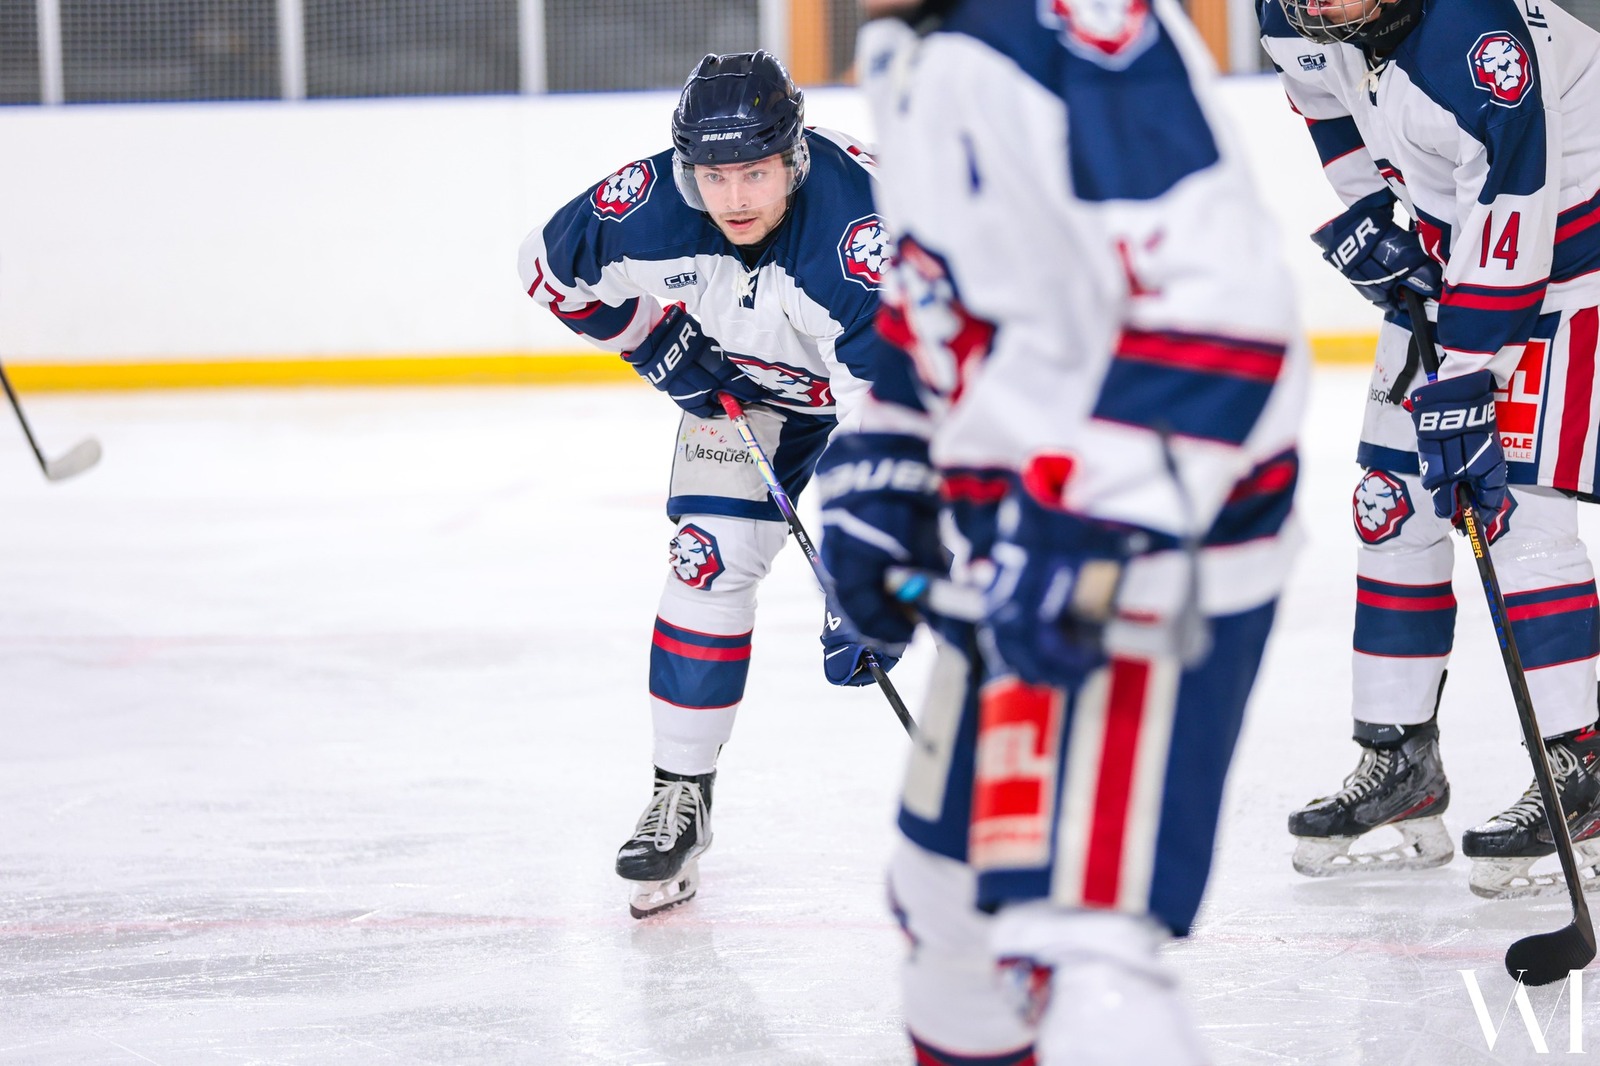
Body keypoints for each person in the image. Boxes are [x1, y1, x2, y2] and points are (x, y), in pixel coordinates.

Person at [819, 1, 1308, 1062]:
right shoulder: (907, 48)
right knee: (946, 903)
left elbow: (1224, 304)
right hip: (1028, 546)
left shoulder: (1076, 26)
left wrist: (1094, 523)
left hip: (1152, 537)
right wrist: (890, 456)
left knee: (1076, 941)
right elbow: (938, 290)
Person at [517, 51, 901, 918]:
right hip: (755, 391)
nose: (733, 198)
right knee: (706, 558)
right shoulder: (649, 203)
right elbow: (546, 270)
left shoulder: (866, 239)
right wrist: (650, 339)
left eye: (755, 173)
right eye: (714, 176)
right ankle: (680, 796)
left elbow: (899, 424)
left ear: (795, 157)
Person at [1260, 0, 1600, 899]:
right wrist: (1373, 215)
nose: (1316, 4)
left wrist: (1466, 376)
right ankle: (1400, 759)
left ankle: (1583, 767)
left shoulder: (1477, 44)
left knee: (1514, 516)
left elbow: (1517, 210)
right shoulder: (1293, 15)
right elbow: (1322, 103)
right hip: (1461, 252)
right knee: (1389, 504)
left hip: (1570, 260)